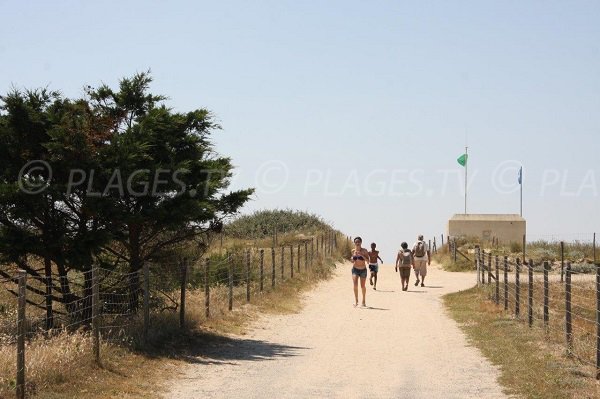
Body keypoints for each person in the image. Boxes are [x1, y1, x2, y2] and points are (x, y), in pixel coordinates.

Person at [350, 236, 369, 307]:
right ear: (354, 243)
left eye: (359, 242)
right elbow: (352, 261)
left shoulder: (364, 250)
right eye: (356, 242)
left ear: (361, 242)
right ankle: (356, 301)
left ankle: (363, 300)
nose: (357, 243)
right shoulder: (353, 251)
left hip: (363, 270)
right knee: (355, 285)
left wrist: (362, 256)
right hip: (355, 269)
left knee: (362, 286)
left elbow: (368, 261)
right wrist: (352, 258)